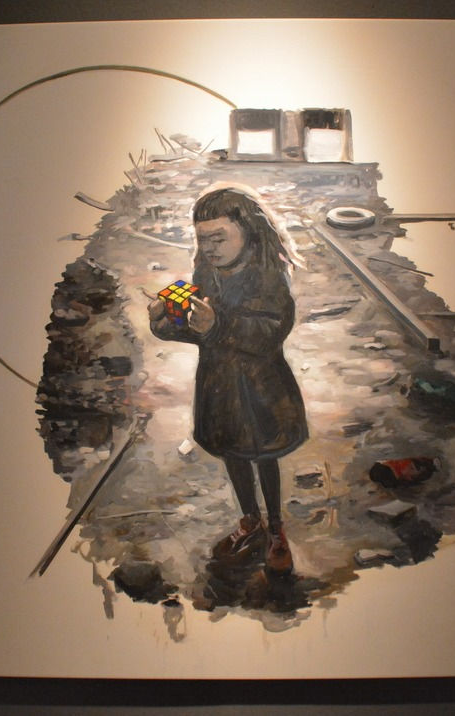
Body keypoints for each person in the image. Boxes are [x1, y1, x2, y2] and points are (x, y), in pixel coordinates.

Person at [148, 186, 308, 574]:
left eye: (219, 238)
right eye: (203, 240)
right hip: (219, 387)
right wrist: (164, 322)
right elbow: (197, 327)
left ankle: (275, 529)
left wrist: (219, 325)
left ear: (247, 231)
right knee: (233, 453)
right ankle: (250, 521)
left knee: (265, 457)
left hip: (261, 390)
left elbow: (270, 331)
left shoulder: (269, 276)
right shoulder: (206, 272)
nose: (210, 248)